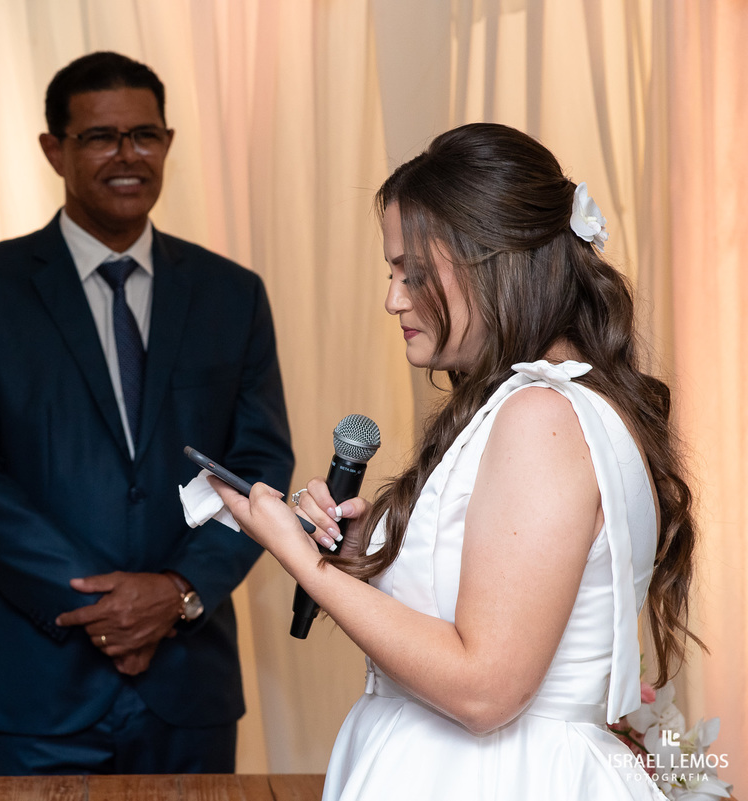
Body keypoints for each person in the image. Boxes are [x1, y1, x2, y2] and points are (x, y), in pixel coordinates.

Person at [214, 123, 701, 799]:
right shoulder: (536, 405)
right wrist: (360, 554)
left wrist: (303, 561)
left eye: (414, 273)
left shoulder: (542, 416)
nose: (394, 298)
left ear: (492, 264)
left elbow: (483, 690)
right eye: (393, 273)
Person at [0, 51, 293, 775]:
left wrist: (179, 590)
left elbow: (259, 466)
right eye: (99, 137)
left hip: (189, 683)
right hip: (34, 687)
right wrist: (106, 607)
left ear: (168, 143)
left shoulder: (231, 293)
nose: (128, 155)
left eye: (145, 135)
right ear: (53, 150)